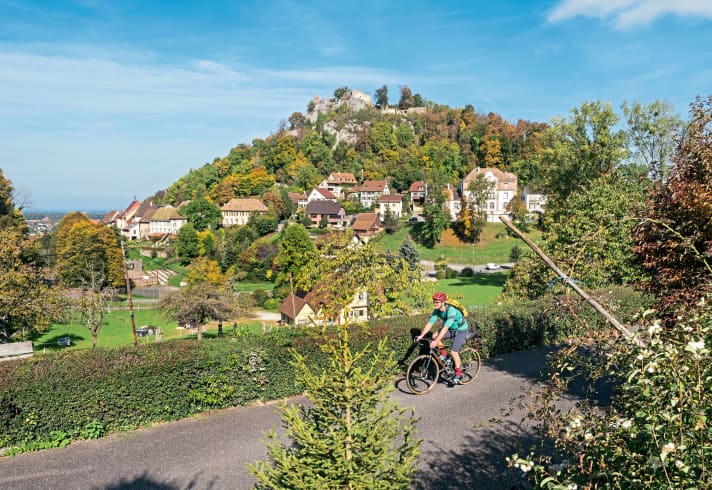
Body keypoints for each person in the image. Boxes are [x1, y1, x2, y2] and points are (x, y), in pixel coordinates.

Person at [415, 292, 469, 384]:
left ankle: (459, 374)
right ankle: (445, 356)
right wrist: (421, 336)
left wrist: (436, 342)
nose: (435, 304)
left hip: (461, 330)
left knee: (454, 352)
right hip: (452, 329)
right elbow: (430, 324)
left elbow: (445, 328)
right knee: (434, 336)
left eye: (437, 302)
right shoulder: (437, 310)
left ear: (443, 302)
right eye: (434, 302)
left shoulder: (451, 310)